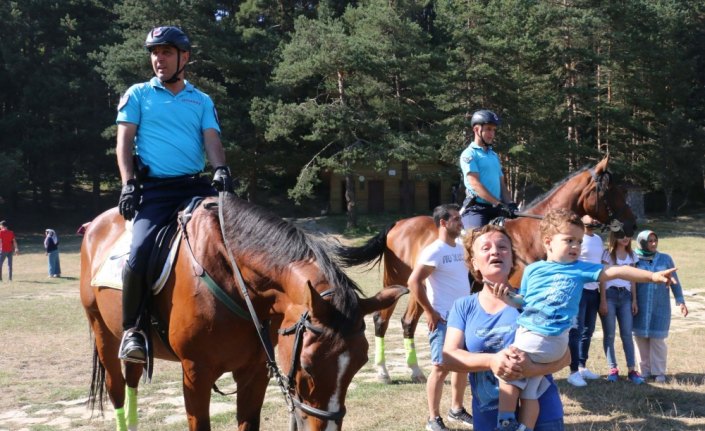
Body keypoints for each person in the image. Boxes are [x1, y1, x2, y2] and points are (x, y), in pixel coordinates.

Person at [493, 209, 675, 431]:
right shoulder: (533, 270)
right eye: (569, 240)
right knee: (531, 391)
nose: (576, 247)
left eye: (579, 242)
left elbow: (619, 270)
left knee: (508, 375)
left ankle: (505, 422)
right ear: (548, 242)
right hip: (548, 341)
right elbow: (524, 302)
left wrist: (653, 276)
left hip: (540, 337)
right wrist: (508, 297)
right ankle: (525, 428)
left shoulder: (579, 268)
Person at [115, 26, 233, 363]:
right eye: (154, 52)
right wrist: (128, 183)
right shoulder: (138, 94)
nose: (158, 59)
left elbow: (212, 139)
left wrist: (220, 168)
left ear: (185, 57)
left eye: (165, 52)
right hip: (154, 191)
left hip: (195, 186)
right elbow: (124, 143)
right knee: (138, 253)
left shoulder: (202, 100)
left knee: (236, 238)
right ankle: (133, 330)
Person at [443, 224, 569, 431]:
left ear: (511, 259)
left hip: (542, 413)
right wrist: (492, 361)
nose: (495, 251)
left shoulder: (534, 301)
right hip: (489, 417)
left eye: (503, 247)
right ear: (474, 263)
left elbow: (566, 356)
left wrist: (533, 369)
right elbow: (449, 356)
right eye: (486, 248)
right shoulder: (463, 306)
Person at [407, 203, 473, 431]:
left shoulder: (461, 247)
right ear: (443, 223)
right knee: (440, 367)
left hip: (464, 317)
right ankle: (433, 419)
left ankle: (456, 409)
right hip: (443, 318)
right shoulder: (434, 250)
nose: (460, 222)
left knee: (462, 364)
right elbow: (413, 282)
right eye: (456, 219)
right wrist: (429, 311)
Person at [633, 230, 688, 383]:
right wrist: (633, 301)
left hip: (660, 306)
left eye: (655, 240)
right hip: (640, 306)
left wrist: (681, 301)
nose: (653, 243)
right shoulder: (634, 259)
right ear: (642, 242)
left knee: (658, 340)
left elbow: (675, 281)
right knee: (640, 339)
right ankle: (644, 371)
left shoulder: (665, 259)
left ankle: (659, 372)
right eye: (650, 241)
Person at [458, 110, 517, 230]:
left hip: (497, 208)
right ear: (476, 129)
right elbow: (475, 184)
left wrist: (510, 204)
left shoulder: (493, 155)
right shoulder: (469, 154)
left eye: (494, 130)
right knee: (477, 241)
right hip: (477, 210)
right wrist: (498, 203)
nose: (492, 133)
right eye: (489, 129)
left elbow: (502, 185)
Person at [599, 231, 644, 384]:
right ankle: (613, 369)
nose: (625, 238)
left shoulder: (632, 255)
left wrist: (634, 300)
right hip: (609, 296)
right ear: (614, 236)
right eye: (622, 235)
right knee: (609, 334)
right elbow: (603, 280)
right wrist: (603, 300)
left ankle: (632, 370)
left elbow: (633, 280)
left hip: (625, 297)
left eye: (628, 235)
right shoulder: (607, 254)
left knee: (626, 334)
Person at [566, 215, 603, 386]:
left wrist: (601, 293)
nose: (593, 221)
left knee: (588, 330)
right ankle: (573, 371)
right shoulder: (576, 239)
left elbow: (601, 265)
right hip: (580, 290)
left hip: (594, 290)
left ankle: (582, 366)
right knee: (576, 330)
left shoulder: (598, 239)